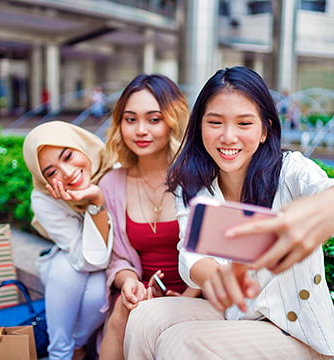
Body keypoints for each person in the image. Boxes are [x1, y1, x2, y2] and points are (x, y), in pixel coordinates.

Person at [123, 66, 334, 359]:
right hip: (237, 315)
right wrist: (216, 277)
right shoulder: (193, 184)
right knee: (146, 316)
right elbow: (190, 255)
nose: (228, 137)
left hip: (297, 333)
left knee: (183, 342)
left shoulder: (290, 171)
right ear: (200, 126)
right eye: (215, 122)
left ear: (264, 130)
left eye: (244, 124)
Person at [98, 74, 200, 360]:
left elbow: (219, 253)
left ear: (173, 121)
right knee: (123, 310)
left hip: (198, 295)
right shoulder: (111, 184)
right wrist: (129, 282)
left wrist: (189, 296)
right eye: (131, 120)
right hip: (143, 293)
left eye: (153, 119)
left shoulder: (199, 180)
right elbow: (116, 258)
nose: (140, 130)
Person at [22, 120, 114, 360]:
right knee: (65, 268)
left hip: (118, 262)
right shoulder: (44, 198)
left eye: (68, 156)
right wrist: (97, 205)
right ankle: (62, 353)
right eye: (51, 172)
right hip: (78, 261)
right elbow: (86, 260)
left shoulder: (113, 170)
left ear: (81, 146)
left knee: (97, 292)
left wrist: (97, 198)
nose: (67, 172)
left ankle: (73, 348)